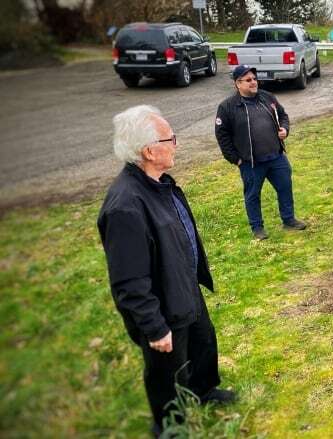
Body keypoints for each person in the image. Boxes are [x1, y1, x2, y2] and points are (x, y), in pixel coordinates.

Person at [97, 105, 235, 436]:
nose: (176, 143)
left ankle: (204, 390)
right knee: (166, 371)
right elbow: (130, 282)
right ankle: (169, 424)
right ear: (149, 150)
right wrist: (154, 328)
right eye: (170, 138)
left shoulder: (158, 183)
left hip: (184, 286)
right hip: (162, 306)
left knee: (203, 341)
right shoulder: (125, 207)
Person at [215, 64, 307, 240]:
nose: (253, 82)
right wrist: (235, 159)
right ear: (237, 83)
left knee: (285, 187)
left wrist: (285, 130)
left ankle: (289, 220)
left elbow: (283, 115)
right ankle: (257, 228)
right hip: (251, 163)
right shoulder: (227, 107)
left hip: (276, 157)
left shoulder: (267, 97)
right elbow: (222, 136)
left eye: (255, 79)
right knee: (252, 195)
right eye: (248, 80)